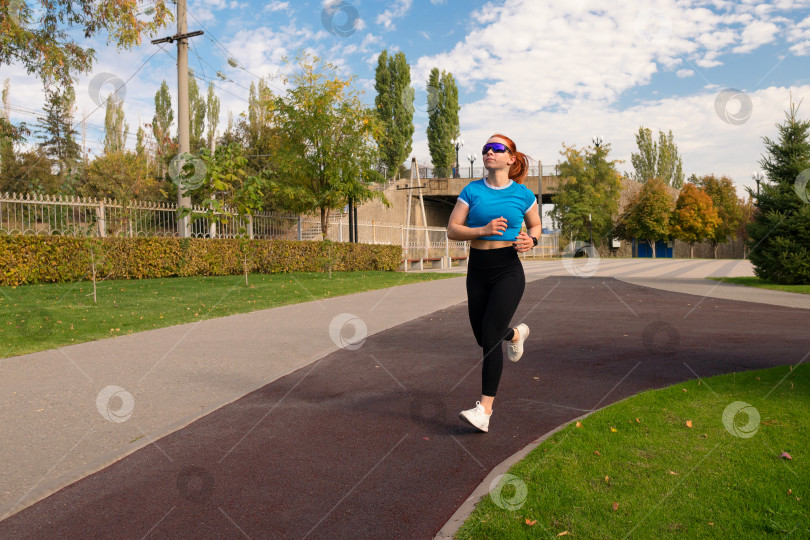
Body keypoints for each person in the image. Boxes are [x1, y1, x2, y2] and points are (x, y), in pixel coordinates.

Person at [447, 134, 542, 433]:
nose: (489, 152)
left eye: (496, 148)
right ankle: (515, 334)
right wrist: (482, 229)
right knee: (483, 336)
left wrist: (532, 240)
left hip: (507, 271)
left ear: (511, 158)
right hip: (478, 270)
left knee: (489, 339)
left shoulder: (523, 195)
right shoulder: (472, 191)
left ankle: (484, 410)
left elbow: (535, 225)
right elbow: (452, 230)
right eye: (486, 148)